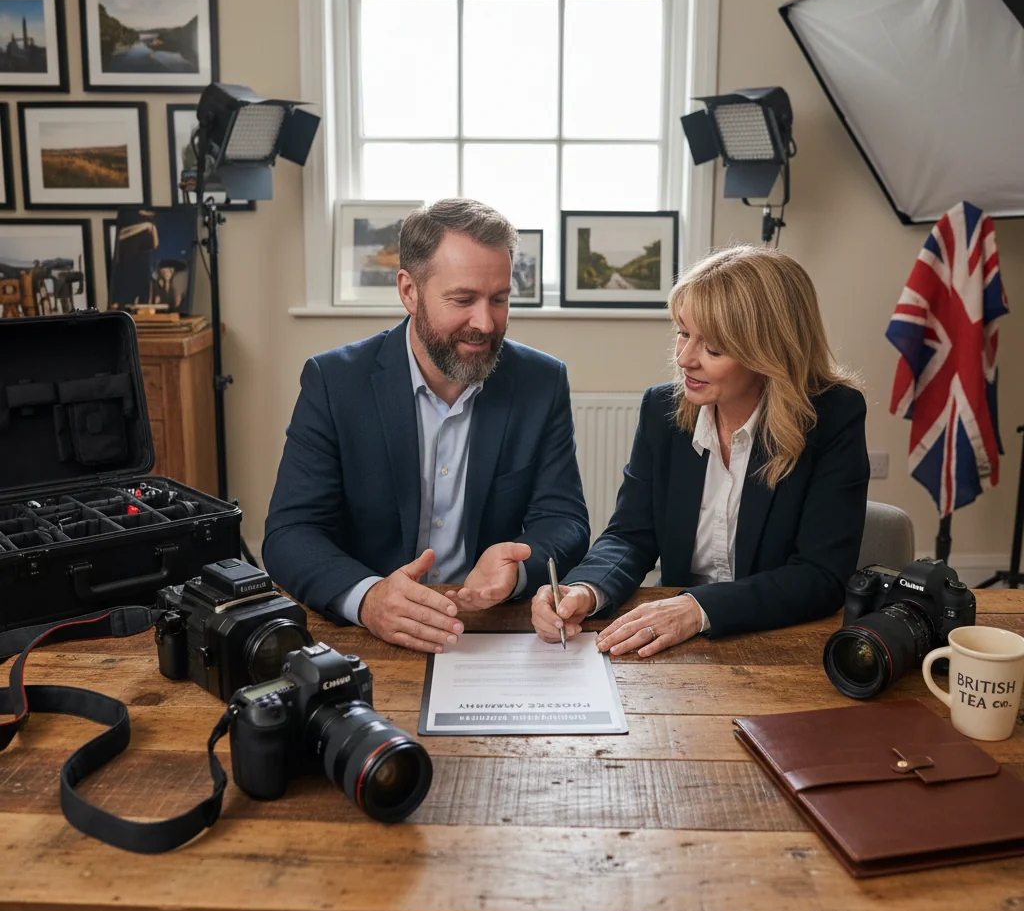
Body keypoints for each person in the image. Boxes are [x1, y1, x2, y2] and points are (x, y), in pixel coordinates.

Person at [264, 198, 590, 653]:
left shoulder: (542, 381)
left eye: (499, 299)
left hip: (490, 632)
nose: (485, 322)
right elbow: (290, 534)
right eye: (463, 299)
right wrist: (369, 598)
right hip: (368, 637)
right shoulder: (335, 381)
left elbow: (564, 519)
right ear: (408, 291)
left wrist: (515, 571)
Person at [532, 245, 869, 656]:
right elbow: (631, 535)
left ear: (769, 353)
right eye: (683, 333)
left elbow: (821, 576)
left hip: (776, 640)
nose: (684, 358)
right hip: (675, 642)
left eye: (713, 348)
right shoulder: (662, 409)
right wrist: (586, 589)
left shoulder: (833, 417)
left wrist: (697, 608)